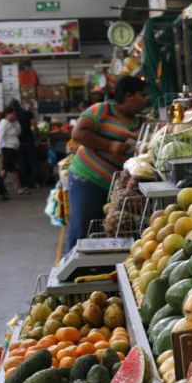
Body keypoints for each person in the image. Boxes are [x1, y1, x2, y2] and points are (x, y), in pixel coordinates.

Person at [65, 76, 148, 253]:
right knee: (82, 227)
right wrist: (109, 145)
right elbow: (78, 133)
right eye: (142, 95)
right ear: (128, 95)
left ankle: (96, 270)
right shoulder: (102, 110)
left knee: (109, 231)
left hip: (115, 188)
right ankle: (69, 271)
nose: (145, 100)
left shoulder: (141, 122)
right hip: (87, 179)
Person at [0, 107, 29, 195]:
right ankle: (18, 188)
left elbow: (19, 132)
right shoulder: (3, 123)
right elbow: (0, 137)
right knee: (12, 169)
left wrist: (16, 122)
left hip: (13, 148)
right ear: (7, 114)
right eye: (13, 114)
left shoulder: (13, 123)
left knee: (6, 169)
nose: (15, 116)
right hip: (7, 148)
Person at [10, 100, 41, 189]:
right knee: (34, 162)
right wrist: (37, 137)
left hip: (18, 143)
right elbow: (34, 126)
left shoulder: (12, 116)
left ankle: (24, 184)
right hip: (29, 140)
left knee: (22, 163)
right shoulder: (27, 113)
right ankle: (36, 182)